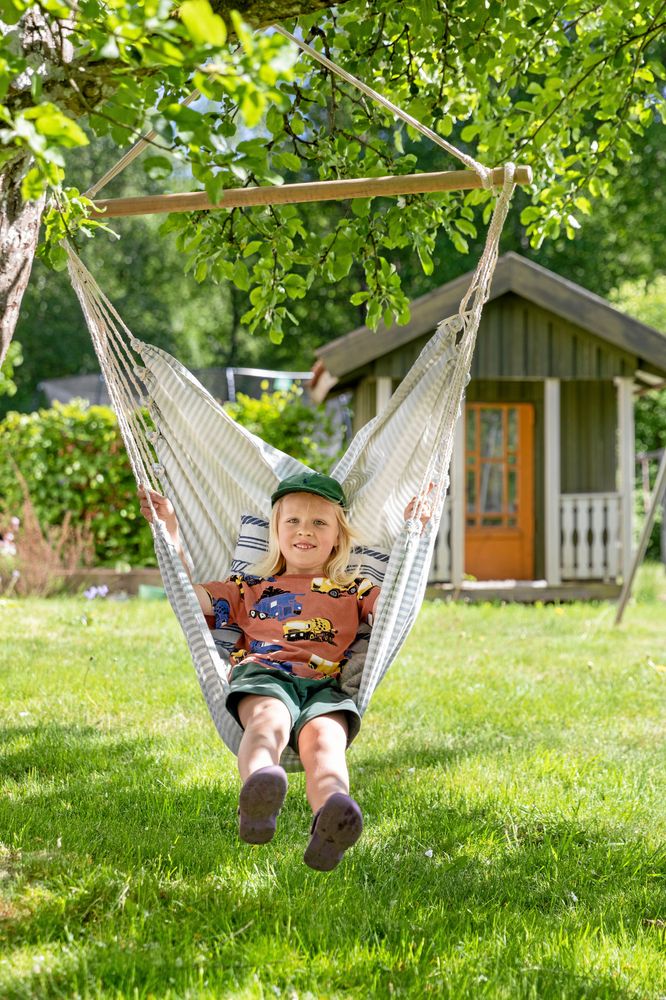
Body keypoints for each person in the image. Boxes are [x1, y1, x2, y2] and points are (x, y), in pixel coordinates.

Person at [139, 471, 429, 871]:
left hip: (325, 689)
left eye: (318, 522)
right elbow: (188, 597)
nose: (304, 530)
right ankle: (259, 794)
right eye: (292, 520)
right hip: (265, 677)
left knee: (327, 744)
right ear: (275, 530)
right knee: (267, 721)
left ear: (337, 537)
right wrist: (168, 533)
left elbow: (394, 606)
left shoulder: (354, 589)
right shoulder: (248, 587)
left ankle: (331, 818)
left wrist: (416, 537)